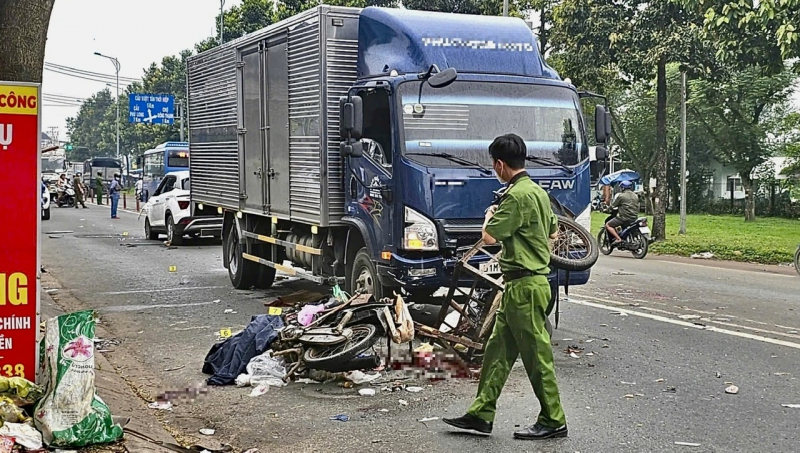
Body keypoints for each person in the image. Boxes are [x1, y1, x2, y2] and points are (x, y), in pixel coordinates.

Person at [443, 134, 568, 440]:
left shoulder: (515, 197)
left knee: (537, 356)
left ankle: (554, 419)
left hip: (525, 287)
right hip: (521, 286)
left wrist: (489, 216)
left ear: (500, 164)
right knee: (497, 351)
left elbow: (489, 237)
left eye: (493, 165)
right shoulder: (538, 193)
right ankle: (481, 414)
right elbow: (554, 233)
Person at [605, 180, 639, 244]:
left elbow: (613, 206)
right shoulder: (635, 195)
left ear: (622, 188)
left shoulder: (621, 196)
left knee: (608, 225)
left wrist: (607, 210)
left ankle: (618, 239)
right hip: (634, 217)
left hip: (624, 218)